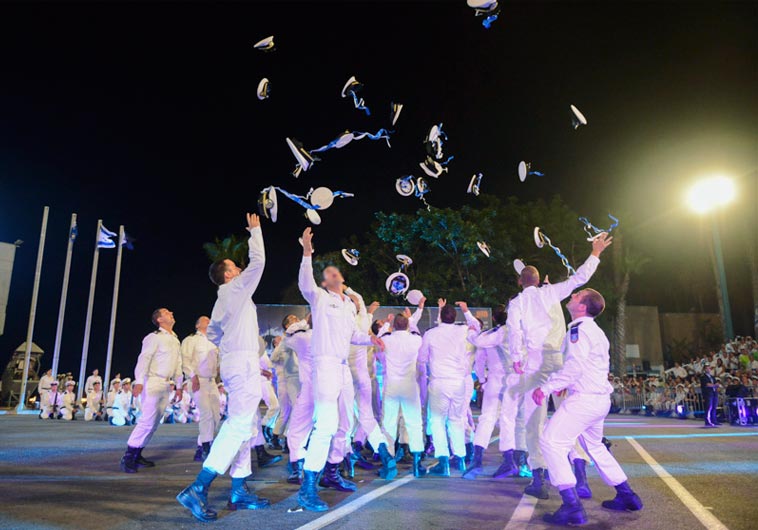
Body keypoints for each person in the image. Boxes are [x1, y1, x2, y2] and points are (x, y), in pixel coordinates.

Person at [177, 213, 269, 522]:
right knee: (239, 425)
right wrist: (255, 231)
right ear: (228, 275)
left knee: (245, 425)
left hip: (236, 361)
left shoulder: (222, 300)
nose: (239, 269)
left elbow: (214, 334)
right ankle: (199, 487)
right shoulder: (235, 289)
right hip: (241, 363)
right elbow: (259, 263)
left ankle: (239, 489)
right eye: (234, 267)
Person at [506, 233, 612, 499]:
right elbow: (580, 278)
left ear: (520, 281)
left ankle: (539, 479)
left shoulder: (517, 302)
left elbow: (514, 330)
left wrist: (516, 358)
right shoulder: (550, 292)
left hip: (535, 362)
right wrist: (596, 253)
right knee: (570, 419)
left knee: (533, 421)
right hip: (559, 360)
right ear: (538, 280)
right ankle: (581, 477)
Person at [535, 288, 643, 525]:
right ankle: (627, 495)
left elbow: (575, 366)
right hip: (598, 399)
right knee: (595, 446)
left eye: (577, 295)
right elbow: (585, 367)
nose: (572, 295)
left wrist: (547, 387)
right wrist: (566, 383)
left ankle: (571, 506)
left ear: (582, 307)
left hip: (584, 400)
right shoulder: (595, 330)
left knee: (551, 442)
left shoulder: (578, 329)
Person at [296, 227, 385, 512]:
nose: (333, 274)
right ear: (324, 281)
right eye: (329, 273)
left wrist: (370, 339)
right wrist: (307, 253)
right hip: (325, 366)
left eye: (336, 272)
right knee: (325, 425)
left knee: (345, 424)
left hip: (343, 368)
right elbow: (305, 284)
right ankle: (307, 487)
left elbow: (353, 335)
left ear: (343, 279)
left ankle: (332, 473)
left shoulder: (348, 305)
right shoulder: (320, 298)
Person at [417, 300, 480, 477]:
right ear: (455, 317)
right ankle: (460, 458)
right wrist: (466, 311)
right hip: (458, 382)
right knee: (456, 420)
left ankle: (443, 460)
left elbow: (421, 358)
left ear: (440, 317)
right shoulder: (463, 330)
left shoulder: (430, 334)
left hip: (439, 382)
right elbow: (477, 327)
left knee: (437, 421)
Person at [120, 308, 184, 472]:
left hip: (166, 384)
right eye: (167, 312)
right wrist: (139, 381)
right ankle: (128, 457)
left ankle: (137, 453)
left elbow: (178, 364)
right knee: (147, 421)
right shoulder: (154, 337)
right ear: (159, 319)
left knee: (154, 423)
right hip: (152, 381)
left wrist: (179, 386)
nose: (171, 313)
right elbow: (144, 359)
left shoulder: (175, 339)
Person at [376, 313, 426, 477]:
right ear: (407, 325)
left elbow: (378, 339)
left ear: (393, 326)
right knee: (414, 423)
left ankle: (389, 463)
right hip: (409, 386)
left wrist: (386, 324)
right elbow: (416, 332)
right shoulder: (415, 339)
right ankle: (417, 463)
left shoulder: (387, 339)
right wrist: (411, 320)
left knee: (388, 423)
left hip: (392, 385)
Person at [463, 304, 508, 479]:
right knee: (513, 421)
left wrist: (482, 380)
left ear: (494, 318)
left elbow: (480, 362)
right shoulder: (518, 333)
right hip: (516, 382)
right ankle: (514, 460)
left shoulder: (488, 336)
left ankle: (477, 459)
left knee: (487, 418)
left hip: (494, 380)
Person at [181, 315, 221, 462]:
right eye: (205, 320)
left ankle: (201, 445)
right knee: (206, 413)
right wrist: (193, 377)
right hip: (198, 380)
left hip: (212, 382)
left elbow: (218, 362)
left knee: (216, 416)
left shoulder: (214, 342)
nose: (209, 321)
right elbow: (185, 360)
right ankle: (205, 448)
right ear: (197, 325)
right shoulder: (191, 340)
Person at [283, 314, 313, 484]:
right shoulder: (330, 336)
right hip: (331, 388)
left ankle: (299, 469)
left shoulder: (302, 337)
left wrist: (304, 321)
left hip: (309, 388)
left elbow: (288, 334)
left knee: (296, 430)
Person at [270, 333, 300, 454]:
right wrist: (282, 344)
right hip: (283, 383)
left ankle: (288, 440)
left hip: (293, 382)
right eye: (279, 340)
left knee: (294, 412)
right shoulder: (277, 352)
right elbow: (273, 358)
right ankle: (275, 437)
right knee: (285, 412)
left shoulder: (290, 350)